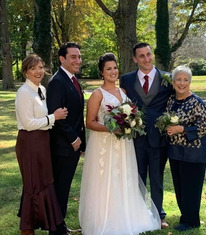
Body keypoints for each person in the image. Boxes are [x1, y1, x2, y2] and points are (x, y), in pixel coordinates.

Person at [79, 52, 161, 235]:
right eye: (108, 69)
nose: (113, 71)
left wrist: (133, 122)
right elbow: (90, 122)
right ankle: (104, 218)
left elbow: (131, 113)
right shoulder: (97, 94)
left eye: (115, 67)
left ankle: (127, 214)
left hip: (124, 145)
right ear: (101, 72)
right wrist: (111, 129)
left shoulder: (123, 92)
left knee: (124, 176)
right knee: (105, 178)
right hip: (104, 146)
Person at [120, 42, 173, 228]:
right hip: (136, 138)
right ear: (135, 59)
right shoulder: (126, 80)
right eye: (141, 56)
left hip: (159, 138)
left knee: (157, 178)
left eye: (148, 54)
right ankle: (139, 215)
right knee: (138, 177)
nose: (146, 59)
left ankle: (159, 215)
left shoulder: (168, 78)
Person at [15, 54, 68, 235]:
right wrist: (54, 117)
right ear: (25, 72)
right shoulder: (23, 92)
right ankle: (28, 228)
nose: (38, 71)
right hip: (29, 143)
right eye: (33, 68)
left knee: (44, 182)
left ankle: (45, 222)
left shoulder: (42, 89)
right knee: (33, 184)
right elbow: (28, 123)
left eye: (40, 67)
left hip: (43, 142)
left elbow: (44, 120)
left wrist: (51, 118)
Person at [47, 42, 86, 234]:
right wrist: (73, 139)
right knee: (60, 189)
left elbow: (77, 115)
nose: (78, 60)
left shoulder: (73, 80)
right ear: (62, 58)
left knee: (64, 187)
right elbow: (57, 116)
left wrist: (82, 142)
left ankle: (60, 225)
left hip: (73, 146)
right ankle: (56, 229)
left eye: (79, 56)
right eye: (73, 57)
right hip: (62, 147)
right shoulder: (57, 82)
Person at [166, 65, 206, 231]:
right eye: (179, 79)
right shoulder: (171, 100)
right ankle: (185, 218)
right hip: (176, 151)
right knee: (180, 187)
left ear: (190, 82)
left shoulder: (196, 102)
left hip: (195, 152)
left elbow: (203, 127)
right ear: (173, 82)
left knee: (191, 187)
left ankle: (192, 221)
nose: (182, 83)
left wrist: (181, 129)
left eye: (185, 80)